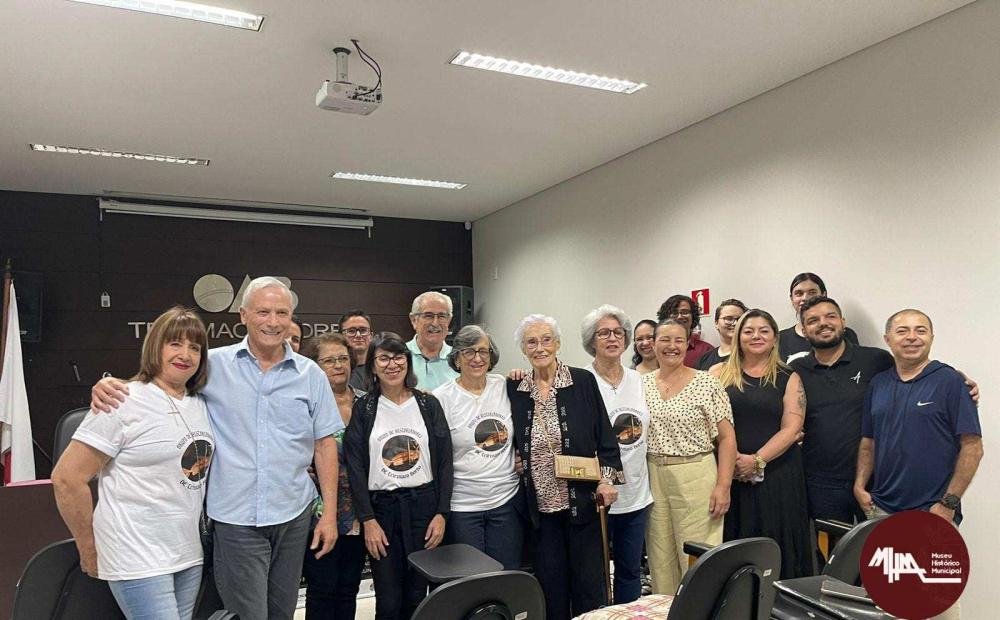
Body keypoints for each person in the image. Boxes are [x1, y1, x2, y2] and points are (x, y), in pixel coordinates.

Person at [91, 277, 342, 620]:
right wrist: (113, 385)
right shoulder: (212, 365)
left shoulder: (310, 374)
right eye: (263, 311)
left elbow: (325, 444)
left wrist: (328, 512)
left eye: (281, 312)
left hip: (293, 513)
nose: (273, 321)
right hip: (236, 519)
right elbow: (162, 384)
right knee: (247, 614)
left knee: (282, 612)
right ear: (243, 315)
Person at [53, 306, 214, 620]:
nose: (185, 354)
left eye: (194, 347)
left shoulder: (200, 404)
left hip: (186, 553)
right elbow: (67, 478)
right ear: (155, 347)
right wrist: (88, 547)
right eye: (175, 344)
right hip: (135, 554)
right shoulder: (121, 400)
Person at [855, 309, 983, 620]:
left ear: (932, 337)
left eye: (920, 330)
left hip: (933, 512)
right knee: (889, 602)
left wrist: (948, 504)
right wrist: (859, 485)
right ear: (888, 339)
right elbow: (868, 442)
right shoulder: (879, 384)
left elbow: (973, 448)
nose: (912, 337)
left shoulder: (950, 381)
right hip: (883, 510)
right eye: (902, 331)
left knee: (937, 604)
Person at [506, 314, 623, 620]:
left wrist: (606, 481)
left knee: (588, 584)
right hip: (540, 511)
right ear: (523, 349)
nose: (540, 347)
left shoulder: (582, 382)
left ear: (558, 344)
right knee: (550, 586)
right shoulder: (516, 389)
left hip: (583, 503)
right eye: (532, 341)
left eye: (546, 340)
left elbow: (606, 439)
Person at [344, 333, 453, 620]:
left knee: (419, 594)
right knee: (389, 597)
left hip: (424, 508)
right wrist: (368, 520)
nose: (392, 364)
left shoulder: (428, 405)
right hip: (383, 512)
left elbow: (444, 462)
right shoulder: (365, 408)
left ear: (408, 361)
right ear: (372, 366)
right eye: (383, 358)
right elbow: (355, 467)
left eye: (398, 357)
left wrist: (441, 513)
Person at [712, 309, 815, 579]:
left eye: (764, 331)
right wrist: (733, 463)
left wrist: (756, 461)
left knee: (776, 544)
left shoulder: (788, 376)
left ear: (774, 338)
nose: (756, 336)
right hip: (728, 473)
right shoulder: (717, 373)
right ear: (738, 337)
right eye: (749, 331)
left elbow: (792, 428)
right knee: (735, 546)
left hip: (777, 473)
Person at [643, 318, 736, 595]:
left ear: (687, 345)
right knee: (659, 555)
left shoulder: (707, 383)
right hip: (653, 474)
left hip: (696, 472)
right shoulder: (640, 384)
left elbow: (727, 438)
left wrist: (723, 485)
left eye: (679, 340)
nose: (672, 346)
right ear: (652, 343)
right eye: (665, 340)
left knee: (697, 555)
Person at [791, 296, 894, 523]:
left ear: (843, 322)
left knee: (881, 551)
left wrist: (958, 379)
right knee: (832, 554)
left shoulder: (876, 360)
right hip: (820, 481)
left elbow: (911, 375)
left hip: (875, 479)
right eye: (813, 320)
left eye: (830, 316)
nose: (823, 323)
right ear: (805, 331)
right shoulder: (796, 370)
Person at [432, 325, 524, 570]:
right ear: (457, 358)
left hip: (506, 501)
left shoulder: (505, 386)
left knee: (506, 574)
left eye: (483, 351)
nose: (477, 358)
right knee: (470, 580)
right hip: (463, 505)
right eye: (469, 352)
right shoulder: (441, 398)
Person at [580, 305, 653, 604]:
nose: (612, 338)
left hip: (636, 493)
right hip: (595, 495)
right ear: (591, 341)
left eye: (618, 332)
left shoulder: (641, 381)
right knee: (593, 572)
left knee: (629, 570)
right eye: (604, 333)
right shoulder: (581, 382)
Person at [301, 332, 366, 619]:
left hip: (358, 513)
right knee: (322, 589)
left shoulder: (367, 403)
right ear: (314, 365)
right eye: (329, 361)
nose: (339, 365)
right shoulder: (304, 405)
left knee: (349, 586)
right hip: (318, 513)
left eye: (343, 359)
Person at [779, 272, 859, 363]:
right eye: (799, 293)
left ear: (824, 295)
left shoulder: (843, 333)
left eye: (812, 292)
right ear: (792, 299)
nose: (805, 298)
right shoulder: (780, 339)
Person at [406, 291, 459, 391]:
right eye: (428, 316)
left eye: (442, 316)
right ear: (413, 320)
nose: (435, 323)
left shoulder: (459, 359)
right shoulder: (399, 357)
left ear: (449, 320)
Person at [656, 294, 713, 367]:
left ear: (693, 316)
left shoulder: (706, 350)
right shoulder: (658, 348)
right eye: (674, 312)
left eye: (685, 312)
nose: (680, 316)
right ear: (666, 317)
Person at [696, 299, 748, 370]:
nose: (735, 323)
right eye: (729, 319)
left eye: (739, 319)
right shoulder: (704, 359)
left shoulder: (751, 356)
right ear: (716, 323)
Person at [340, 309, 374, 392]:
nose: (358, 335)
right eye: (351, 331)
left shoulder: (381, 367)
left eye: (363, 330)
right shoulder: (336, 370)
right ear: (341, 336)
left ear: (371, 335)